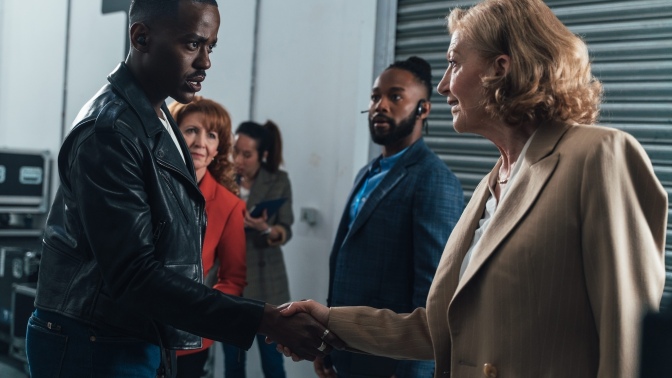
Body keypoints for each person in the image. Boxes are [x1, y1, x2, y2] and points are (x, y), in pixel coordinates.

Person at [278, 0, 668, 377]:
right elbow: (442, 328)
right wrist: (331, 322)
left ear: (501, 68)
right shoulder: (488, 186)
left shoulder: (599, 155)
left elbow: (628, 336)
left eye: (454, 63)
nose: (444, 86)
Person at [25, 1, 342, 377]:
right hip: (92, 342)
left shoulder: (156, 115)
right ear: (141, 37)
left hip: (129, 334)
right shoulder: (110, 130)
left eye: (211, 47)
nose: (206, 62)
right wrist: (267, 319)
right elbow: (134, 275)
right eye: (193, 44)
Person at [322, 56, 463, 378]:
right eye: (375, 97)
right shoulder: (367, 173)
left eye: (395, 97)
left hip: (390, 361)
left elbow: (434, 293)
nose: (379, 106)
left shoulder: (434, 179)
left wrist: (416, 371)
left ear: (423, 109)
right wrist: (327, 344)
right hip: (348, 352)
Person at [168, 96, 247, 378]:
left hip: (189, 339)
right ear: (172, 135)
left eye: (211, 135)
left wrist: (201, 315)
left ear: (218, 148)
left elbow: (233, 279)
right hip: (132, 330)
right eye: (191, 130)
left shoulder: (230, 206)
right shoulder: (145, 183)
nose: (200, 142)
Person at [222, 120, 294, 377]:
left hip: (267, 282)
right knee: (233, 362)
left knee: (273, 362)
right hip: (230, 279)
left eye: (247, 154)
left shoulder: (278, 180)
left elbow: (285, 228)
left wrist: (265, 228)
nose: (239, 159)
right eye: (236, 152)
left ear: (262, 155)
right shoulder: (223, 178)